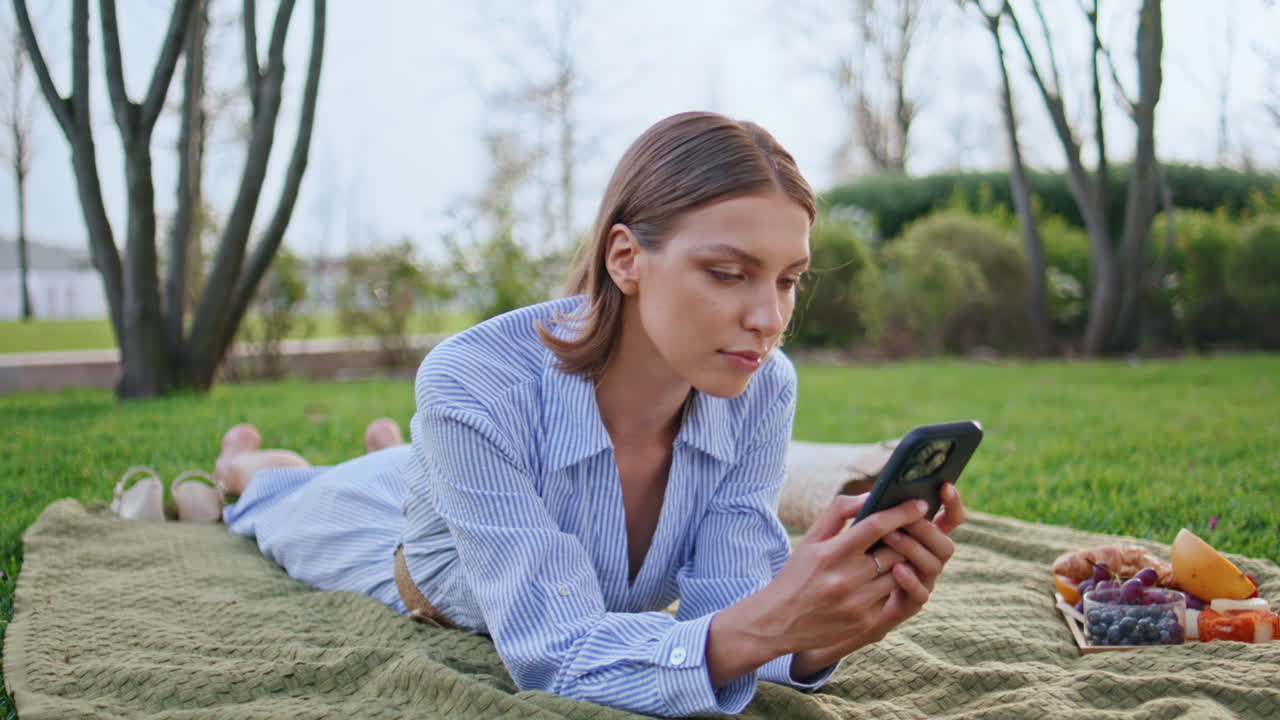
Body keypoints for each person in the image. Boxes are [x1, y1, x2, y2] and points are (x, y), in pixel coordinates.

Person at [214, 111, 966, 717]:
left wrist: (817, 632)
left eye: (789, 280)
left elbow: (729, 610)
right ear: (625, 258)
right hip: (405, 555)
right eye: (728, 274)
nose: (769, 318)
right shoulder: (473, 381)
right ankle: (246, 459)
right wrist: (769, 622)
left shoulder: (763, 387)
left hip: (464, 475)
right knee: (274, 497)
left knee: (402, 460)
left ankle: (393, 449)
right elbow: (554, 650)